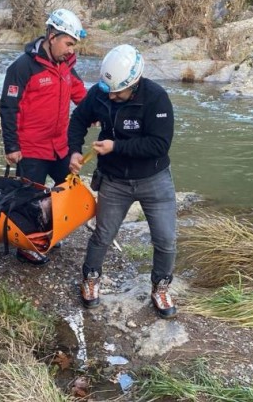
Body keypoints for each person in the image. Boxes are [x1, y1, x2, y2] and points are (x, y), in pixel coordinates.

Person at [68, 44, 178, 319]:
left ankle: (161, 286)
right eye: (109, 90)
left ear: (135, 82)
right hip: (115, 180)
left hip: (154, 178)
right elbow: (78, 119)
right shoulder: (102, 93)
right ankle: (91, 277)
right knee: (103, 234)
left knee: (165, 239)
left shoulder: (156, 98)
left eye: (119, 91)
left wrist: (116, 147)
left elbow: (159, 145)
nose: (113, 95)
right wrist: (74, 149)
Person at [0, 8, 88, 265]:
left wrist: (98, 112)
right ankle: (26, 245)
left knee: (68, 191)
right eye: (68, 43)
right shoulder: (22, 67)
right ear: (51, 36)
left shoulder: (68, 67)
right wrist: (11, 145)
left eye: (74, 45)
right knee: (28, 198)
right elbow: (8, 106)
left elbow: (82, 96)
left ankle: (51, 231)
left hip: (60, 147)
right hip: (31, 149)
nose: (71, 50)